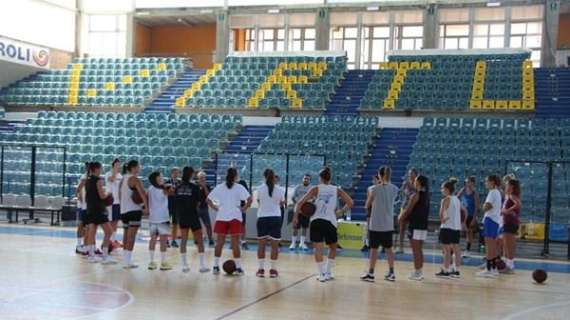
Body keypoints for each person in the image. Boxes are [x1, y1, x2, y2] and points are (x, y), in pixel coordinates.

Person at [294, 167, 353, 283]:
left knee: (318, 249)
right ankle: (328, 272)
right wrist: (341, 212)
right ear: (330, 178)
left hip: (316, 221)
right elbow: (350, 202)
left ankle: (321, 274)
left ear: (320, 178)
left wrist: (296, 216)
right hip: (330, 221)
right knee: (333, 248)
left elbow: (300, 203)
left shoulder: (315, 189)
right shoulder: (337, 189)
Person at [207, 167, 252, 275]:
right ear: (236, 176)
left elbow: (208, 199)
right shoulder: (239, 187)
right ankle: (238, 267)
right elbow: (250, 199)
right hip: (235, 217)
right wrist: (244, 208)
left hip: (222, 216)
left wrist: (215, 208)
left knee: (219, 242)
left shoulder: (220, 187)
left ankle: (215, 266)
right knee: (235, 243)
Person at [360, 167, 399, 282]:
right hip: (388, 224)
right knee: (389, 249)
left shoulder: (374, 189)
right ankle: (391, 273)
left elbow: (367, 205)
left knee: (373, 249)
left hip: (376, 224)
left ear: (380, 175)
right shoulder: (395, 189)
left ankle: (371, 273)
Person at [175, 167, 209, 273]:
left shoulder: (178, 187)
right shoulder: (194, 187)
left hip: (182, 216)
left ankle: (184, 266)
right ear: (191, 175)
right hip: (193, 215)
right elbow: (198, 203)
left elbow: (176, 200)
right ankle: (202, 266)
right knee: (199, 240)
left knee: (183, 240)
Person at [255, 169, 286, 278]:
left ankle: (260, 270)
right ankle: (273, 270)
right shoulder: (280, 190)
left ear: (264, 176)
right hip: (275, 218)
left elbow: (259, 202)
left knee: (261, 245)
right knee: (274, 246)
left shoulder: (259, 189)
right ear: (274, 177)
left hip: (262, 217)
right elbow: (282, 203)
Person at [84, 162, 116, 264]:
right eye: (100, 168)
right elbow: (102, 196)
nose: (101, 170)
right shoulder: (98, 180)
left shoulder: (87, 180)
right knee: (109, 232)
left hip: (90, 208)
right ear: (96, 169)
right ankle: (105, 256)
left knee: (91, 233)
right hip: (98, 209)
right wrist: (108, 193)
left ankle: (91, 256)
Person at [119, 160, 148, 269]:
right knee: (131, 236)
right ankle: (127, 261)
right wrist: (146, 207)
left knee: (126, 235)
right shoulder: (134, 179)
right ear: (134, 168)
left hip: (124, 210)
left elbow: (119, 194)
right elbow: (142, 194)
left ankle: (125, 259)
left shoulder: (122, 179)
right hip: (134, 210)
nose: (140, 168)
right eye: (139, 166)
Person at [399, 175, 429, 281]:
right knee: (419, 250)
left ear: (419, 183)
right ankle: (419, 271)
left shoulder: (415, 195)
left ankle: (418, 272)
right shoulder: (426, 195)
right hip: (423, 225)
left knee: (415, 250)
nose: (414, 182)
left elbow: (408, 210)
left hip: (415, 225)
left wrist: (400, 218)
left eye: (416, 180)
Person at [436, 178, 465, 279]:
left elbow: (441, 215)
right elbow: (464, 211)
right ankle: (456, 270)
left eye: (442, 188)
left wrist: (443, 219)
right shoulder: (457, 199)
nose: (441, 190)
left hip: (447, 227)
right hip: (456, 228)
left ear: (447, 189)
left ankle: (446, 270)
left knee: (446, 250)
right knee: (456, 249)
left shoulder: (445, 200)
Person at [476, 175, 503, 278]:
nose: (485, 183)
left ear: (492, 182)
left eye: (487, 181)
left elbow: (486, 207)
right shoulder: (497, 192)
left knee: (489, 245)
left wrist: (483, 206)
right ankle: (493, 268)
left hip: (490, 219)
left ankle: (489, 268)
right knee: (491, 245)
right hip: (494, 220)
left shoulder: (492, 192)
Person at [147, 171, 173, 271]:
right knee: (163, 240)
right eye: (161, 176)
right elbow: (171, 192)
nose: (163, 178)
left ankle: (152, 261)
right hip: (163, 218)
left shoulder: (150, 189)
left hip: (153, 218)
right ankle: (163, 262)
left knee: (153, 239)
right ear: (157, 178)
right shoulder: (164, 189)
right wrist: (169, 186)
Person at [501, 179, 521, 274]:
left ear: (511, 187)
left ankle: (510, 265)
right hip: (507, 222)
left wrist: (507, 211)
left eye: (507, 185)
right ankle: (507, 264)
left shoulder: (512, 196)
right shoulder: (508, 196)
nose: (505, 186)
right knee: (506, 244)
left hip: (511, 223)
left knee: (509, 245)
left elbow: (518, 204)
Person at [457, 176, 480, 256]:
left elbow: (477, 207)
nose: (467, 183)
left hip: (470, 215)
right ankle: (455, 249)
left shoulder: (475, 193)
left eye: (469, 182)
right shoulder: (463, 190)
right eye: (466, 182)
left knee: (469, 232)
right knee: (459, 231)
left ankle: (467, 250)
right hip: (462, 215)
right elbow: (456, 198)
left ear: (473, 183)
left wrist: (474, 218)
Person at [398, 168, 418, 254]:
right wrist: (403, 187)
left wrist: (412, 187)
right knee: (402, 228)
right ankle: (401, 247)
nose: (410, 175)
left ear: (416, 174)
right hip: (405, 206)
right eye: (409, 173)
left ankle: (414, 247)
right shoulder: (406, 183)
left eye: (412, 173)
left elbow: (418, 193)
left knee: (413, 229)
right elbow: (401, 193)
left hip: (414, 208)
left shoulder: (418, 184)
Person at [290, 174, 311, 251]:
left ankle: (302, 243)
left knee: (304, 227)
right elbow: (293, 197)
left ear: (309, 180)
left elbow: (314, 198)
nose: (306, 180)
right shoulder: (298, 187)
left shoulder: (311, 188)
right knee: (295, 226)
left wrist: (308, 205)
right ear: (302, 179)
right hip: (298, 210)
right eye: (305, 178)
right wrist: (298, 203)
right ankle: (293, 243)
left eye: (307, 179)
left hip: (306, 211)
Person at [105, 158, 123, 251]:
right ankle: (108, 241)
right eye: (117, 164)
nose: (119, 166)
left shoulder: (120, 175)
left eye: (119, 165)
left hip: (118, 202)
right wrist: (115, 171)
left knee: (115, 221)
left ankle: (113, 240)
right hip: (110, 201)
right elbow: (111, 179)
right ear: (113, 165)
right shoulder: (108, 174)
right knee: (110, 221)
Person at [361, 174, 380, 252]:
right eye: (373, 179)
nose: (374, 181)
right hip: (371, 209)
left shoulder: (381, 188)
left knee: (379, 228)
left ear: (379, 180)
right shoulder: (369, 188)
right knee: (369, 228)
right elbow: (368, 198)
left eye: (375, 179)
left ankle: (381, 245)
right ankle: (367, 244)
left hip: (378, 209)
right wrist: (366, 207)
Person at [75, 162, 90, 255]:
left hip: (88, 206)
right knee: (81, 225)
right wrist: (80, 197)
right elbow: (78, 190)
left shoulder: (91, 178)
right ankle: (78, 245)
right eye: (87, 167)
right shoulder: (83, 177)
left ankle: (86, 246)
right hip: (82, 205)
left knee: (87, 227)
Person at [197, 171, 214, 246]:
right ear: (198, 178)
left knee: (208, 225)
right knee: (196, 226)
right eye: (200, 177)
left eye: (203, 177)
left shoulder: (207, 186)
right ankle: (197, 239)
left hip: (204, 208)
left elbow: (208, 196)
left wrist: (204, 187)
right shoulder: (195, 185)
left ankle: (210, 239)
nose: (202, 179)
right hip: (196, 209)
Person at [166, 168, 181, 248]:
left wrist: (174, 193)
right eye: (174, 173)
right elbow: (165, 194)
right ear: (171, 174)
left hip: (177, 206)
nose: (175, 174)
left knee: (175, 224)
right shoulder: (167, 182)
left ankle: (174, 240)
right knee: (167, 223)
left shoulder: (180, 183)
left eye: (177, 173)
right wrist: (170, 193)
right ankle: (166, 240)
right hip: (168, 205)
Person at [238, 178, 250, 250]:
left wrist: (244, 208)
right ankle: (237, 241)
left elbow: (248, 199)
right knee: (237, 225)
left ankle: (243, 241)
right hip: (236, 208)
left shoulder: (242, 186)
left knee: (242, 225)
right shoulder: (234, 187)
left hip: (241, 208)